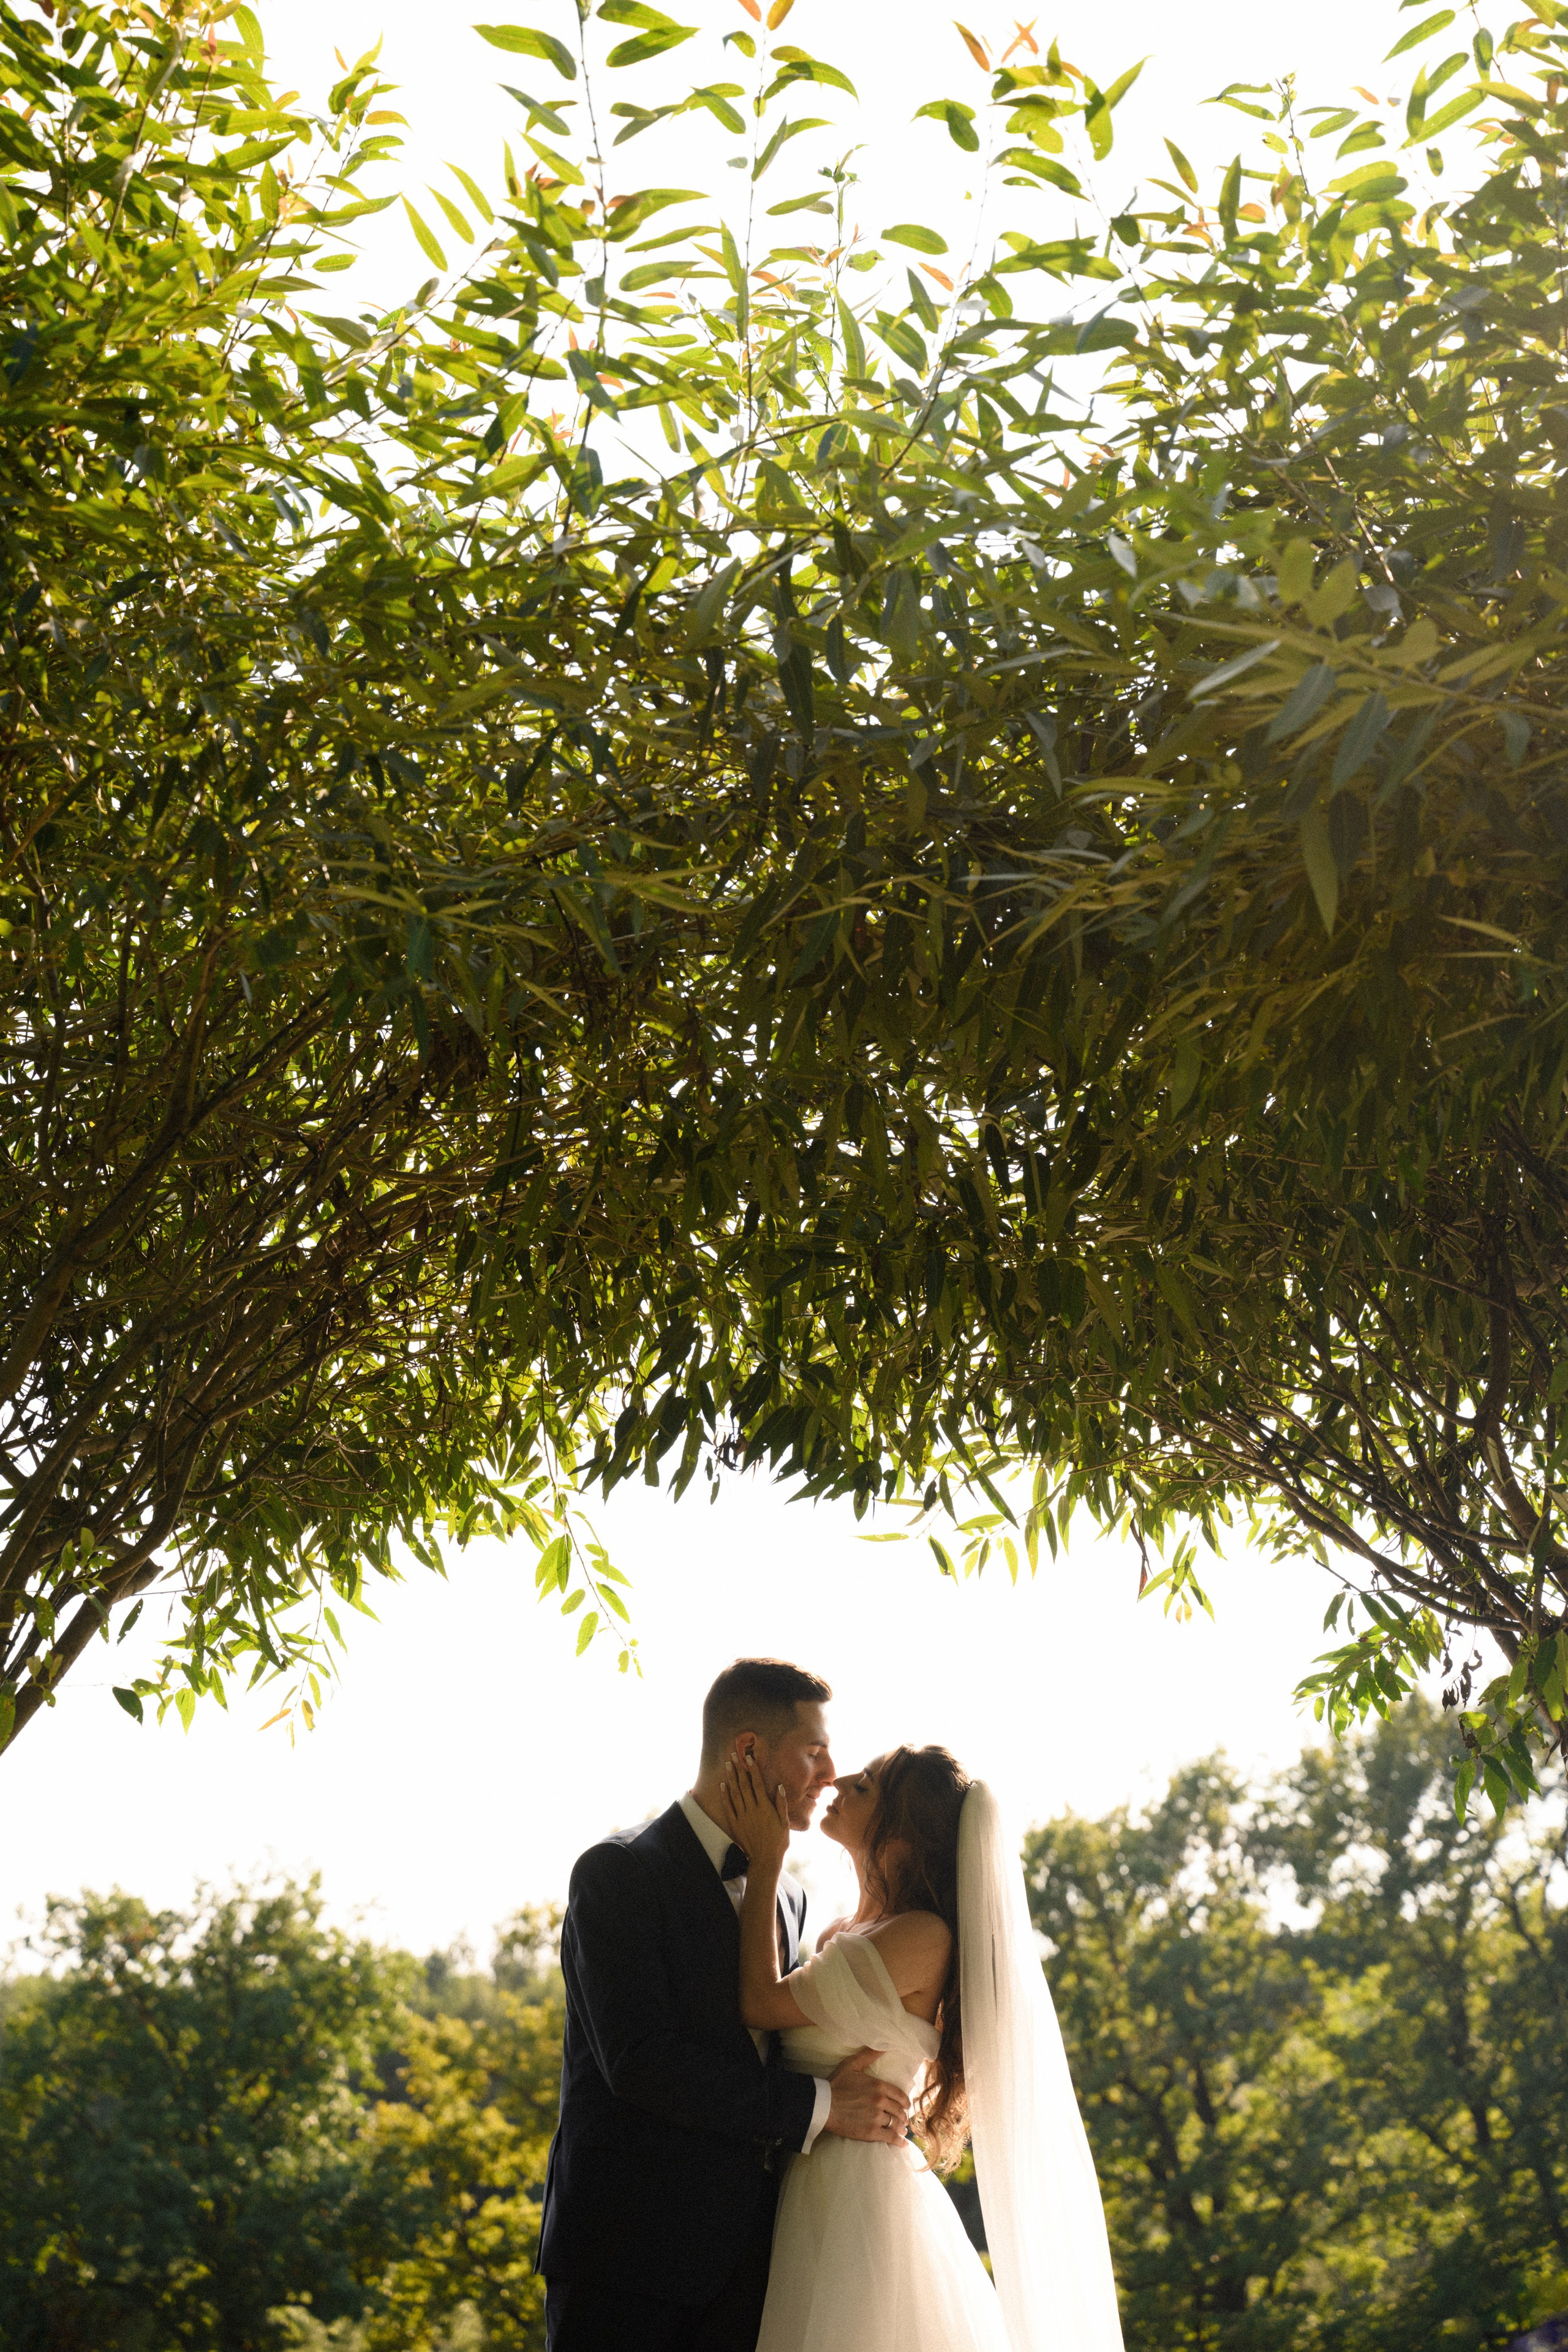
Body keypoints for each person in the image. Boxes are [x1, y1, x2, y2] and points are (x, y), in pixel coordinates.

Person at [535, 1658, 911, 2351]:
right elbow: (641, 2063)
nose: (830, 1772)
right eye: (812, 1751)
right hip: (625, 2265)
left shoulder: (791, 1898)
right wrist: (824, 2106)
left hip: (755, 2267)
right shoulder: (617, 1875)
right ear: (746, 1751)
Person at [721, 1743, 1126, 2352]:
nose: (842, 1778)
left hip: (853, 2200)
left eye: (867, 1786)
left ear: (902, 1838)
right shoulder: (840, 1933)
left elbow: (759, 2003)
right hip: (806, 2183)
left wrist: (766, 1859)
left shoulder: (920, 1935)